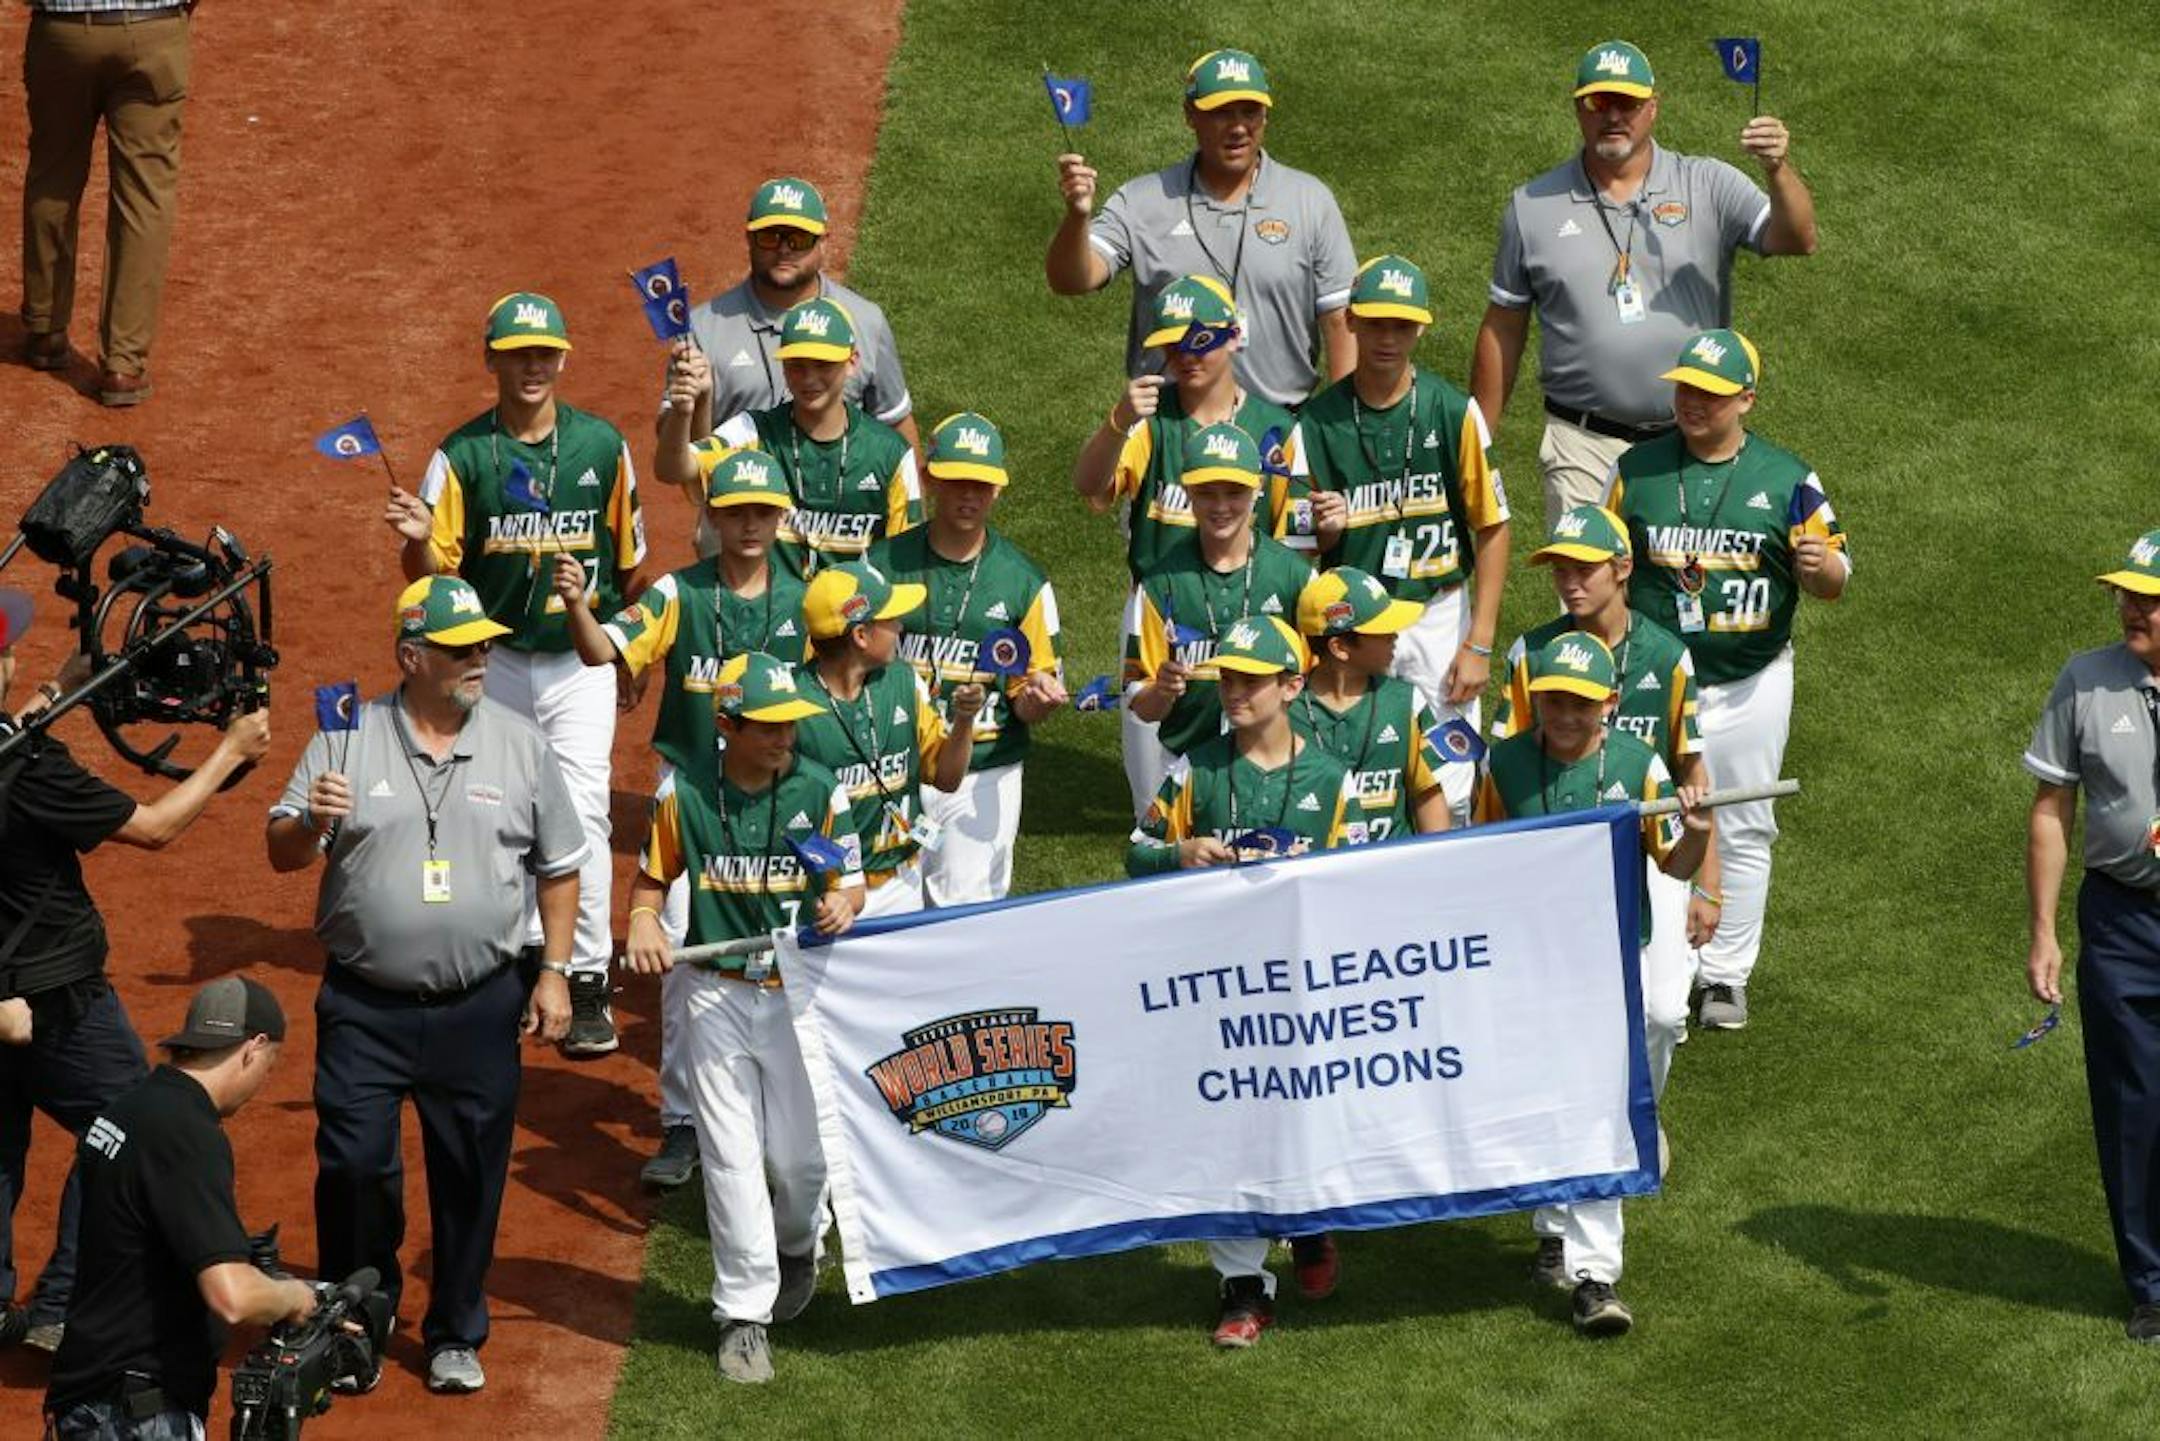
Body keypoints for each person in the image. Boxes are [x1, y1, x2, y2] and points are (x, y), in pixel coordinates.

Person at [264, 575, 586, 1396]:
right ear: (412, 656)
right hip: (365, 1004)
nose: (481, 657)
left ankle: (454, 1330)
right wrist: (313, 822)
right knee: (353, 1165)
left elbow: (559, 865)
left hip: (481, 1004)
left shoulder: (518, 743)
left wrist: (553, 971)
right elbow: (282, 850)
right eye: (461, 646)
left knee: (472, 1172)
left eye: (484, 643)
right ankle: (356, 1322)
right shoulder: (345, 736)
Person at [0, 588, 271, 1353]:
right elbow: (152, 827)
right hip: (58, 1000)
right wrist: (231, 751)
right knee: (127, 1124)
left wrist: (56, 686)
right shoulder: (35, 771)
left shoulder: (14, 749)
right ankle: (60, 1304)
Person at [384, 290, 646, 1057]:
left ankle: (589, 972)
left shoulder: (602, 446)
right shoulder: (462, 455)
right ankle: (524, 956)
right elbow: (435, 580)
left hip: (577, 661)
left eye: (544, 354)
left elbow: (630, 564)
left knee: (587, 812)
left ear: (563, 359)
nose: (532, 367)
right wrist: (414, 541)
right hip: (490, 664)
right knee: (497, 809)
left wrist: (624, 653)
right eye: (517, 354)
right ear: (491, 358)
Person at [555, 447, 804, 1192]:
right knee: (680, 963)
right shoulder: (678, 593)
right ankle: (683, 1121)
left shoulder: (809, 595)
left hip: (784, 797)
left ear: (780, 517)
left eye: (764, 511)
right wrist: (576, 602)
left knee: (792, 959)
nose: (751, 524)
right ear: (712, 517)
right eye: (736, 512)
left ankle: (786, 1118)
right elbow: (602, 650)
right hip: (694, 794)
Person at [623, 650, 865, 1384]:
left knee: (798, 1162)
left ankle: (798, 1247)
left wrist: (840, 904)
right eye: (770, 726)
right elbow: (649, 880)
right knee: (730, 1156)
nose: (787, 737)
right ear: (727, 724)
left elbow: (850, 886)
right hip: (715, 991)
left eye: (792, 724)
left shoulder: (823, 789)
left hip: (800, 990)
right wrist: (641, 920)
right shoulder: (685, 795)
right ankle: (742, 1313)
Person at [1469, 38, 1819, 529]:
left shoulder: (1709, 184)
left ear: (1653, 109)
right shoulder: (1532, 206)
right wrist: (1477, 442)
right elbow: (1503, 326)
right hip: (1581, 445)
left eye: (1628, 103)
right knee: (1591, 595)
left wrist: (1777, 169)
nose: (1613, 115)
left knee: (1684, 594)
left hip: (1690, 444)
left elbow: (1797, 237)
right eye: (1599, 102)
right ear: (1578, 109)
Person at [1606, 329, 1848, 1031]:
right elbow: (1599, 561)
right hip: (1655, 677)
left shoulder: (1790, 479)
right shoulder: (1636, 470)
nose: (1692, 403)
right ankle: (1647, 957)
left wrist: (1818, 570)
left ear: (1746, 398)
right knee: (1640, 812)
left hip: (1749, 680)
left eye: (1709, 394)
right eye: (1684, 388)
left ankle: (1724, 976)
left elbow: (1838, 573)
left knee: (1742, 819)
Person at [1126, 613, 1358, 1347]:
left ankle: (1308, 1221)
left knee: (1302, 1107)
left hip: (1304, 979)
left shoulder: (1331, 779)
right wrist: (1180, 852)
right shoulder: (1199, 767)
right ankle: (1244, 1287)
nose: (1233, 692)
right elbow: (1137, 852)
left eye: (1251, 681)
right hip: (1219, 979)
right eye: (1226, 678)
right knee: (1229, 1116)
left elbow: (1363, 879)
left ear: (1292, 685)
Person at [1473, 631, 1710, 1337]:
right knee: (1543, 1097)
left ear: (1609, 701)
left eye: (1580, 702)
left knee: (1602, 1103)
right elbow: (1478, 853)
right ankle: (1553, 1227)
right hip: (1529, 958)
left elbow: (1672, 863)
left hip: (1609, 958)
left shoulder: (1640, 764)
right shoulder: (1506, 761)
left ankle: (1596, 1274)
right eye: (1553, 700)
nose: (1566, 714)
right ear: (1534, 698)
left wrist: (1697, 830)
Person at [1494, 505, 1719, 1098]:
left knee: (1666, 1013)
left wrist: (1707, 887)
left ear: (1622, 568)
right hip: (1548, 863)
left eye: (1582, 569)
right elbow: (1503, 768)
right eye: (1559, 569)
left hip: (1650, 854)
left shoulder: (1668, 656)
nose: (1569, 581)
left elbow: (1693, 771)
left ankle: (1638, 1117)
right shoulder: (1530, 655)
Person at [43, 977, 319, 1439]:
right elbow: (231, 1296)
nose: (261, 1083)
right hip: (137, 1416)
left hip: (85, 1402)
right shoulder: (188, 1133)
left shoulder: (129, 1109)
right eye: (269, 1067)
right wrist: (293, 1297)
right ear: (254, 1047)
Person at [1299, 254, 1510, 815]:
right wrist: (1324, 535)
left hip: (1439, 615)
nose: (1388, 338)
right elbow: (1297, 553)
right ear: (1351, 322)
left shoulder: (1453, 411)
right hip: (1355, 625)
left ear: (1420, 327)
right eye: (1375, 323)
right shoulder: (1315, 426)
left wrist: (1480, 641)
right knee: (1354, 783)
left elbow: (1492, 526)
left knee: (1455, 785)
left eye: (1401, 325)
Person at [1047, 46, 1359, 408]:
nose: (1239, 127)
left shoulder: (1310, 200)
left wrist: (1343, 430)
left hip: (1277, 428)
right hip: (1168, 431)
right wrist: (1077, 217)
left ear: (1266, 116)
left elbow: (1341, 322)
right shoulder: (1142, 200)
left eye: (1250, 112)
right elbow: (1070, 280)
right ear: (1190, 115)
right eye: (1221, 113)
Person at [2024, 529, 2160, 1345]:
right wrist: (2043, 930)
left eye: (2149, 598)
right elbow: (2051, 810)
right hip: (2121, 921)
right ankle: (2151, 1282)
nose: (2131, 609)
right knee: (2133, 1101)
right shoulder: (2086, 679)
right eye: (2125, 592)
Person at [871, 413, 1067, 906]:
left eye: (980, 484)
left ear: (997, 490)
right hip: (896, 766)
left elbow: (1025, 699)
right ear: (931, 477)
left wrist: (1039, 703)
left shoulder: (1024, 582)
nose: (968, 495)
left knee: (965, 908)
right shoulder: (881, 565)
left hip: (984, 769)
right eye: (956, 480)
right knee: (883, 904)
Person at [655, 175, 918, 478]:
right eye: (770, 236)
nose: (784, 249)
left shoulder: (866, 322)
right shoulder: (703, 330)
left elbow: (895, 422)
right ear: (749, 238)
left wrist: (916, 518)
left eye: (799, 238)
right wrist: (686, 408)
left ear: (823, 242)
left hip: (839, 516)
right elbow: (676, 460)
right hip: (741, 519)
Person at [1122, 423, 1315, 815]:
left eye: (1234, 492)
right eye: (1206, 493)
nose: (1221, 506)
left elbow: (1316, 683)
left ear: (1258, 489)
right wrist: (1162, 690)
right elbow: (1141, 705)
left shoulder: (1293, 577)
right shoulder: (1160, 584)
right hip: (1185, 766)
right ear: (1187, 495)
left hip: (1278, 766)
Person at [659, 297, 921, 576]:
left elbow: (907, 562)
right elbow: (674, 469)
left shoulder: (891, 453)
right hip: (770, 615)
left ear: (852, 362)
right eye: (797, 365)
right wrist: (683, 412)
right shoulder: (753, 432)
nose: (809, 378)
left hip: (855, 615)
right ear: (783, 367)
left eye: (823, 365)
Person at [19, 0, 195, 406]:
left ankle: (46, 329)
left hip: (60, 34)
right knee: (145, 195)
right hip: (155, 31)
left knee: (53, 174)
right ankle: (123, 365)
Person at [791, 562, 980, 917]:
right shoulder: (792, 704)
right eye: (889, 618)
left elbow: (947, 777)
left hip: (902, 881)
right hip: (826, 895)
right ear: (861, 635)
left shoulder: (905, 682)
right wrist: (838, 881)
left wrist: (965, 721)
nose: (899, 626)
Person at [1292, 566, 1451, 842]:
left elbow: (1428, 794)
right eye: (1382, 629)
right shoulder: (1286, 711)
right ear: (1340, 648)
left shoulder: (1407, 703)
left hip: (1394, 870)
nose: (1395, 635)